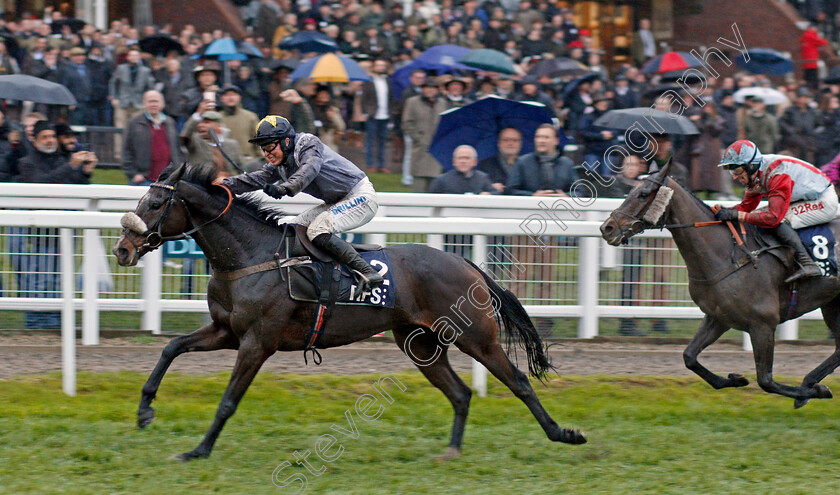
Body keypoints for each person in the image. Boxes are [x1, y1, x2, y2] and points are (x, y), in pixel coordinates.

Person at [220, 115, 384, 291]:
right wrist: (220, 186)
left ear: (287, 141)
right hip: (338, 201)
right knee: (294, 228)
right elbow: (253, 179)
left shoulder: (308, 144)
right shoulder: (280, 163)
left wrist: (284, 188)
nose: (267, 154)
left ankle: (368, 272)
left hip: (360, 196)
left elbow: (309, 169)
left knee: (317, 229)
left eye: (269, 147)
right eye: (263, 149)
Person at [715, 140, 837, 283]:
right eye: (731, 171)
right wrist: (725, 212)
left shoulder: (777, 174)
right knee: (758, 215)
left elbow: (773, 218)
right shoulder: (756, 173)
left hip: (823, 201)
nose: (735, 176)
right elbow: (746, 207)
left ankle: (808, 264)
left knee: (779, 219)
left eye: (737, 170)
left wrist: (738, 215)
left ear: (750, 165)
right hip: (805, 198)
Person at [17, 121, 97, 329]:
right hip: (41, 232)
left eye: (52, 136)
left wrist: (85, 172)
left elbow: (77, 189)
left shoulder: (62, 159)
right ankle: (36, 323)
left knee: (60, 280)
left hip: (65, 229)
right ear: (34, 141)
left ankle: (56, 322)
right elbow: (41, 185)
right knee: (40, 279)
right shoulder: (27, 162)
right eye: (45, 137)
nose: (50, 140)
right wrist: (71, 166)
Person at [122, 90, 183, 185]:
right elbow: (126, 150)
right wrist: (133, 174)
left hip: (168, 179)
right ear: (144, 103)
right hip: (143, 179)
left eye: (156, 101)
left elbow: (177, 149)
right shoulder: (134, 123)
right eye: (150, 101)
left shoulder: (170, 122)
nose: (153, 104)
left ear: (162, 104)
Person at [402, 76, 447, 192]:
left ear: (437, 90)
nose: (430, 90)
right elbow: (406, 123)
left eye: (433, 88)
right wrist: (418, 138)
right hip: (420, 148)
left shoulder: (442, 103)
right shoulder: (412, 102)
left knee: (435, 186)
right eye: (427, 88)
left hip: (437, 149)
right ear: (423, 89)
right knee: (419, 183)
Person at [506, 124, 578, 196]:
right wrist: (532, 195)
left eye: (546, 137)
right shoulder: (522, 162)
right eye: (538, 137)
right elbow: (510, 190)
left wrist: (566, 196)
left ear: (556, 141)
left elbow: (579, 192)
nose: (541, 141)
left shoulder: (566, 164)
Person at [180, 106, 243, 177]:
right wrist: (197, 115)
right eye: (200, 123)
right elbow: (185, 136)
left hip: (229, 184)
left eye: (207, 122)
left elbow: (240, 168)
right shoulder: (196, 141)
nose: (201, 125)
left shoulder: (232, 145)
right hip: (203, 186)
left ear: (218, 126)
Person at [429, 145, 496, 194]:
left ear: (475, 162)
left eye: (467, 158)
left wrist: (488, 194)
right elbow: (431, 198)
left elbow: (495, 193)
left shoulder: (482, 178)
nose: (463, 161)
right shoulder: (442, 180)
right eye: (460, 158)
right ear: (454, 162)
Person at [478, 127, 523, 193]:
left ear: (520, 144)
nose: (510, 143)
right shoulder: (486, 165)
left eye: (514, 140)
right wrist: (491, 187)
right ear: (499, 143)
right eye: (505, 140)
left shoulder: (527, 164)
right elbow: (478, 188)